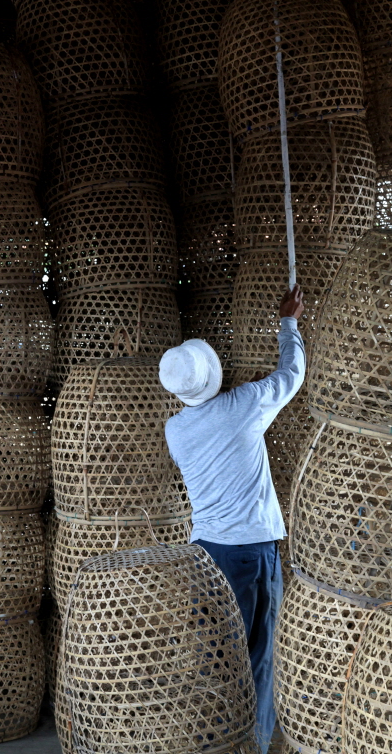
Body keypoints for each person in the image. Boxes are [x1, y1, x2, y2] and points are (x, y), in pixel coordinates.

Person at [158, 284, 306, 754]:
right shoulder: (243, 406)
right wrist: (289, 323)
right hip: (250, 553)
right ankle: (254, 745)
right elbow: (292, 374)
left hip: (205, 554)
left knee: (215, 656)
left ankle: (211, 741)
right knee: (257, 658)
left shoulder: (175, 428)